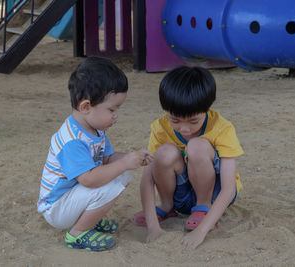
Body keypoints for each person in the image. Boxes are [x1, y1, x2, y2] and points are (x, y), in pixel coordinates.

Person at [37, 57, 153, 251]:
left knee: (120, 174)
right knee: (112, 183)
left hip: (72, 199)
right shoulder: (73, 140)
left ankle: (87, 220)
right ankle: (77, 234)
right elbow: (89, 180)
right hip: (57, 208)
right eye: (112, 109)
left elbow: (107, 158)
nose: (116, 115)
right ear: (86, 106)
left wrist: (132, 158)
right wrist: (124, 163)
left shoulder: (93, 129)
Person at [131, 66, 244, 248]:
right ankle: (167, 207)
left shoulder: (222, 128)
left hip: (214, 195)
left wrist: (202, 231)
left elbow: (229, 188)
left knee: (196, 145)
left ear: (207, 109)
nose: (185, 129)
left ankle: (203, 207)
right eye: (175, 120)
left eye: (194, 121)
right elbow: (147, 178)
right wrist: (153, 227)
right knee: (164, 152)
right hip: (180, 195)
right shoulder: (160, 128)